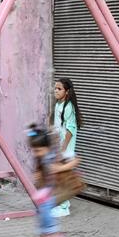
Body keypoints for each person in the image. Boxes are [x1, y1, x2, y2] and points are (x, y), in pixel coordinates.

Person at [26, 123, 82, 237]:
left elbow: (76, 160)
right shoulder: (42, 157)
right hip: (49, 188)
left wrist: (60, 168)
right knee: (39, 207)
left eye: (38, 150)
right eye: (34, 150)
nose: (36, 153)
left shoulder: (56, 155)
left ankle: (53, 233)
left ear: (47, 147)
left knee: (45, 206)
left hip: (60, 188)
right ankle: (43, 236)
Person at [49, 77, 83, 218]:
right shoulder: (59, 104)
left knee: (61, 176)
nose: (55, 91)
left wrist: (63, 149)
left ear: (67, 91)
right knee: (58, 175)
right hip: (59, 146)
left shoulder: (69, 107)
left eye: (59, 89)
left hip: (66, 148)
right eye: (55, 88)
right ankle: (63, 203)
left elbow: (70, 130)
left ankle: (63, 207)